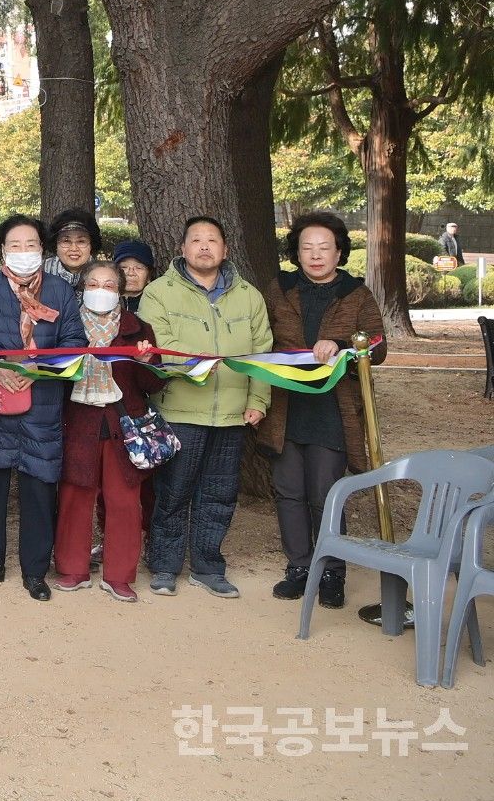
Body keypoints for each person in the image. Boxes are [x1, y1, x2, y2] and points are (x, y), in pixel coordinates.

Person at [138, 216, 273, 599]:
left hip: (232, 414)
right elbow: (158, 349)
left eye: (212, 240)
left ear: (225, 249)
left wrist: (258, 400)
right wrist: (197, 364)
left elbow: (263, 354)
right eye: (195, 240)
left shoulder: (248, 296)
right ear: (182, 248)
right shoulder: (159, 293)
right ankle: (164, 565)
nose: (204, 246)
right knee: (173, 491)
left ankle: (208, 566)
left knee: (220, 493)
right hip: (180, 410)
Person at [261, 212, 388, 609]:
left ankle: (332, 572)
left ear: (339, 252)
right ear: (296, 252)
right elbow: (259, 336)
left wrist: (340, 342)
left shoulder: (356, 293)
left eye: (324, 248)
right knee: (288, 492)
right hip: (286, 406)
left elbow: (378, 346)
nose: (315, 256)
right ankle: (298, 568)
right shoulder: (279, 288)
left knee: (324, 493)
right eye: (307, 248)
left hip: (332, 410)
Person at [0, 213, 86, 601]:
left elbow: (74, 343)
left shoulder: (61, 290)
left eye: (30, 245)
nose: (23, 252)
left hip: (44, 404)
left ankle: (35, 571)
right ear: (2, 250)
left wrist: (40, 367)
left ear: (42, 249)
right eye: (14, 246)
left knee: (39, 487)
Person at [51, 260, 158, 602]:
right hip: (78, 420)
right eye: (93, 283)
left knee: (124, 499)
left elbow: (153, 383)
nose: (101, 290)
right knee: (74, 495)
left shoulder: (138, 328)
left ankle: (120, 574)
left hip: (123, 423)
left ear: (121, 291)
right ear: (82, 288)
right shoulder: (66, 325)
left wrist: (145, 361)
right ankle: (72, 569)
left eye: (110, 285)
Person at [43, 208, 101, 289]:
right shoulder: (40, 271)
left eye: (81, 241)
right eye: (66, 241)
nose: (74, 248)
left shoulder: (103, 273)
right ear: (55, 244)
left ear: (91, 245)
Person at [112, 239, 156, 313]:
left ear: (149, 275)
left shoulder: (158, 304)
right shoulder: (103, 300)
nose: (131, 273)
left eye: (138, 268)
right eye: (124, 267)